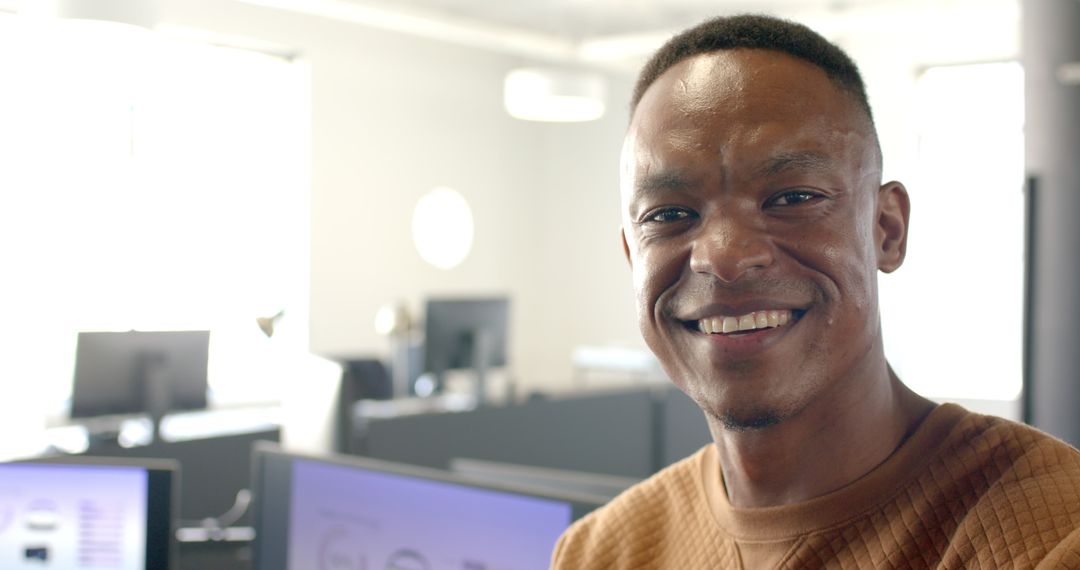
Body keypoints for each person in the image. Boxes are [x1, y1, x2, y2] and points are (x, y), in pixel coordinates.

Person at [551, 13, 1080, 569]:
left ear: (886, 229)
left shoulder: (1050, 538)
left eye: (792, 198)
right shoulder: (599, 551)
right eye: (670, 213)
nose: (724, 257)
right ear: (633, 257)